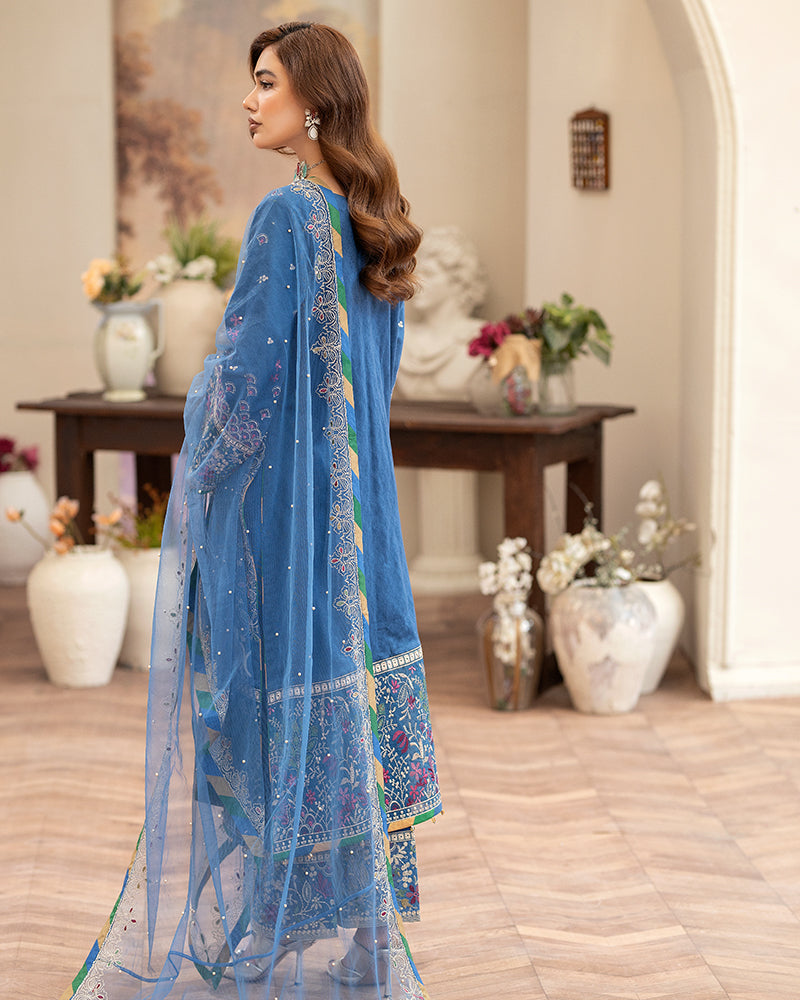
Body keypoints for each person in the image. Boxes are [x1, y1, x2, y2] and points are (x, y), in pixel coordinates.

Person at [63, 22, 441, 1000]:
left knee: (274, 718)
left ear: (312, 101)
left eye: (265, 82)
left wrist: (201, 414)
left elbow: (245, 392)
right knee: (348, 709)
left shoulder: (288, 217)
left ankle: (265, 938)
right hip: (366, 529)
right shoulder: (378, 227)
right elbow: (369, 389)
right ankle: (367, 943)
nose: (248, 100)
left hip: (290, 533)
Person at [394, 226, 487, 402]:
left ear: (458, 281)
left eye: (429, 274)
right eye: (415, 274)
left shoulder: (482, 338)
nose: (416, 282)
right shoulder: (402, 338)